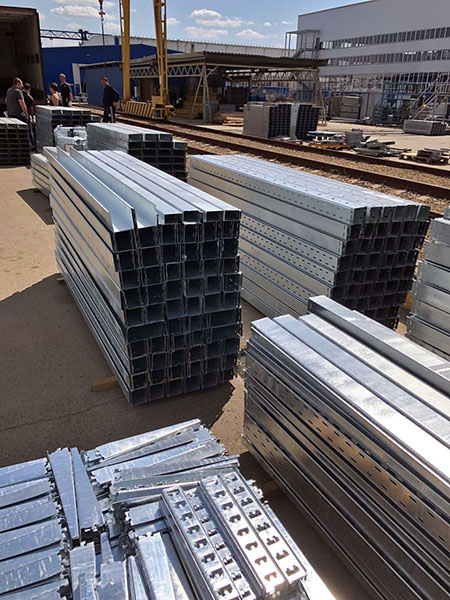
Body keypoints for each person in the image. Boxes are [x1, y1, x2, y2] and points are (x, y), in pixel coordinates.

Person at [22, 83, 35, 148]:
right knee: (29, 130)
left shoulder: (19, 95)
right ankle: (31, 144)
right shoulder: (29, 97)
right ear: (29, 89)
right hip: (27, 115)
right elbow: (31, 108)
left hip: (20, 114)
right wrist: (32, 117)